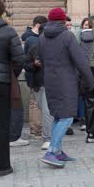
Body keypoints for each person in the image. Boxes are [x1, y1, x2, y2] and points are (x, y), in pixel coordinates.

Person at [38, 7, 94, 168]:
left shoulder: (42, 37)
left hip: (49, 81)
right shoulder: (67, 36)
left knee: (57, 116)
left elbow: (41, 59)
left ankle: (58, 152)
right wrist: (90, 81)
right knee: (67, 117)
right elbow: (81, 61)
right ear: (63, 20)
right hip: (66, 82)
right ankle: (51, 151)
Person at [0, 0, 24, 177]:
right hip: (1, 82)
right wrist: (11, 77)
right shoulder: (8, 31)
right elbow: (19, 59)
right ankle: (0, 166)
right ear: (1, 11)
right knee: (2, 124)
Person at [23, 15, 54, 150]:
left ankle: (48, 138)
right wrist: (34, 64)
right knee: (42, 108)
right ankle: (49, 135)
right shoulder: (35, 47)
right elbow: (26, 64)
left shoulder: (55, 46)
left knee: (47, 111)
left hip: (50, 83)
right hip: (38, 84)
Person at [75, 17, 90, 131]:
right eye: (85, 25)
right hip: (80, 73)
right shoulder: (77, 39)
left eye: (89, 25)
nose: (87, 27)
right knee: (81, 97)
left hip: (92, 71)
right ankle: (82, 119)